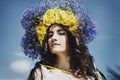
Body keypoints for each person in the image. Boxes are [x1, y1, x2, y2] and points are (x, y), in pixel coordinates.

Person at [20, 0, 106, 80]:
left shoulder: (93, 75)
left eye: (61, 33)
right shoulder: (41, 73)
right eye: (49, 35)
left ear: (72, 38)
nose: (53, 38)